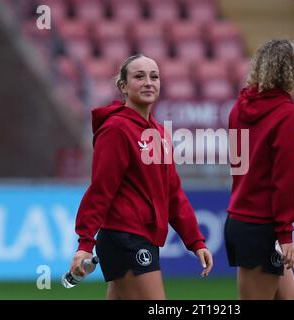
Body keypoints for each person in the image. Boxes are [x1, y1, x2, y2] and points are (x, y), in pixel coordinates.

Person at [68, 54, 213, 300]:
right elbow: (101, 190)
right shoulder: (115, 130)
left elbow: (173, 193)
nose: (148, 82)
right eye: (139, 76)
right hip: (125, 238)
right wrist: (84, 244)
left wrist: (195, 241)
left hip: (141, 239)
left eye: (154, 77)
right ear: (123, 87)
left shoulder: (160, 133)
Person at [225, 39, 294, 300]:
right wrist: (285, 236)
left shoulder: (238, 109)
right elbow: (284, 180)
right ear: (293, 70)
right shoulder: (288, 115)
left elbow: (237, 165)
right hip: (261, 227)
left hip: (243, 219)